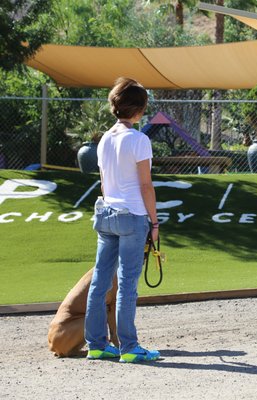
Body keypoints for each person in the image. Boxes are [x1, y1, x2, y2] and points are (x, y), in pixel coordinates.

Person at [84, 77, 161, 363]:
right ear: (139, 110)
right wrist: (154, 223)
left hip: (107, 213)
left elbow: (104, 183)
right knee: (127, 283)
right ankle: (129, 347)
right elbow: (145, 186)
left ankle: (96, 344)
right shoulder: (139, 140)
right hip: (133, 215)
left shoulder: (105, 139)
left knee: (100, 280)